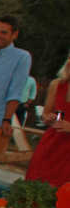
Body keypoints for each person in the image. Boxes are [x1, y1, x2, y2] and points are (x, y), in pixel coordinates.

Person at [25, 53, 70, 187]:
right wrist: (48, 117)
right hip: (53, 141)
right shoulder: (56, 85)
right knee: (36, 181)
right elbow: (46, 113)